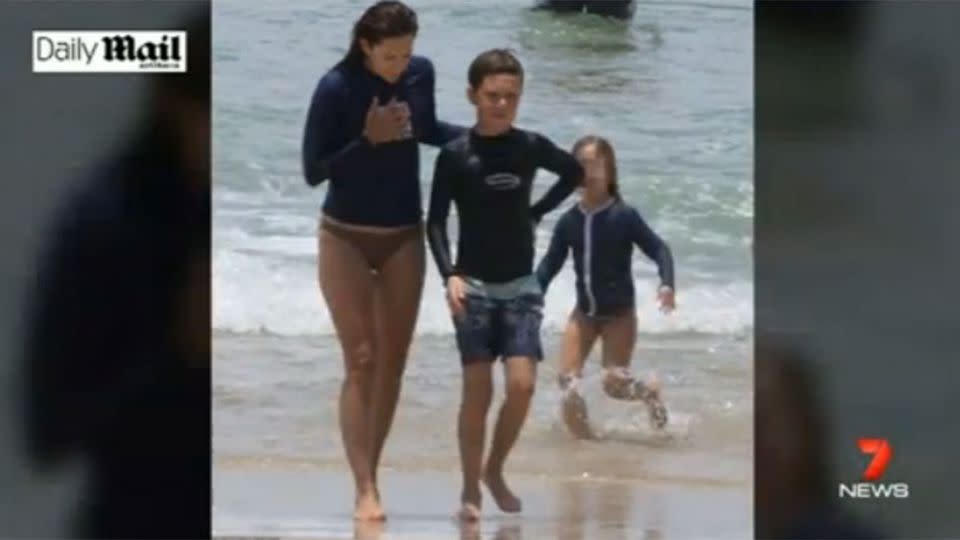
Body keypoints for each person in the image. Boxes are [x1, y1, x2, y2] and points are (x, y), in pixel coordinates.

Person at [20, 9, 210, 538]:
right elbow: (50, 431)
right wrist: (179, 351)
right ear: (176, 109)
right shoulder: (109, 222)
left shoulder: (218, 213)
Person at [300, 0, 466, 522]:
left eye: (407, 54)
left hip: (403, 236)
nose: (401, 65)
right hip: (344, 236)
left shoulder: (420, 74)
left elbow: (427, 129)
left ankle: (373, 468)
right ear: (365, 45)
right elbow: (312, 170)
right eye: (391, 56)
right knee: (362, 359)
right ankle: (364, 486)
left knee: (393, 363)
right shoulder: (336, 88)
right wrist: (365, 141)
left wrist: (485, 136)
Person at [426, 48, 583, 522]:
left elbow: (574, 171)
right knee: (477, 391)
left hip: (520, 286)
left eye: (511, 97)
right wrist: (448, 274)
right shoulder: (455, 156)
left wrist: (537, 211)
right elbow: (433, 222)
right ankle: (470, 488)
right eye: (493, 96)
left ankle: (494, 469)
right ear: (473, 95)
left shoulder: (529, 146)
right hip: (471, 286)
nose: (501, 105)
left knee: (522, 386)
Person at [535, 135, 675, 440]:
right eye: (579, 165)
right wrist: (533, 293)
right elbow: (550, 265)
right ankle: (586, 444)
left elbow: (659, 249)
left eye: (593, 164)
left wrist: (666, 284)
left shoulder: (623, 216)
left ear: (609, 171)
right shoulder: (568, 222)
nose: (586, 172)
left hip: (619, 315)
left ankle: (649, 393)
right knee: (567, 381)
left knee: (613, 384)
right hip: (584, 314)